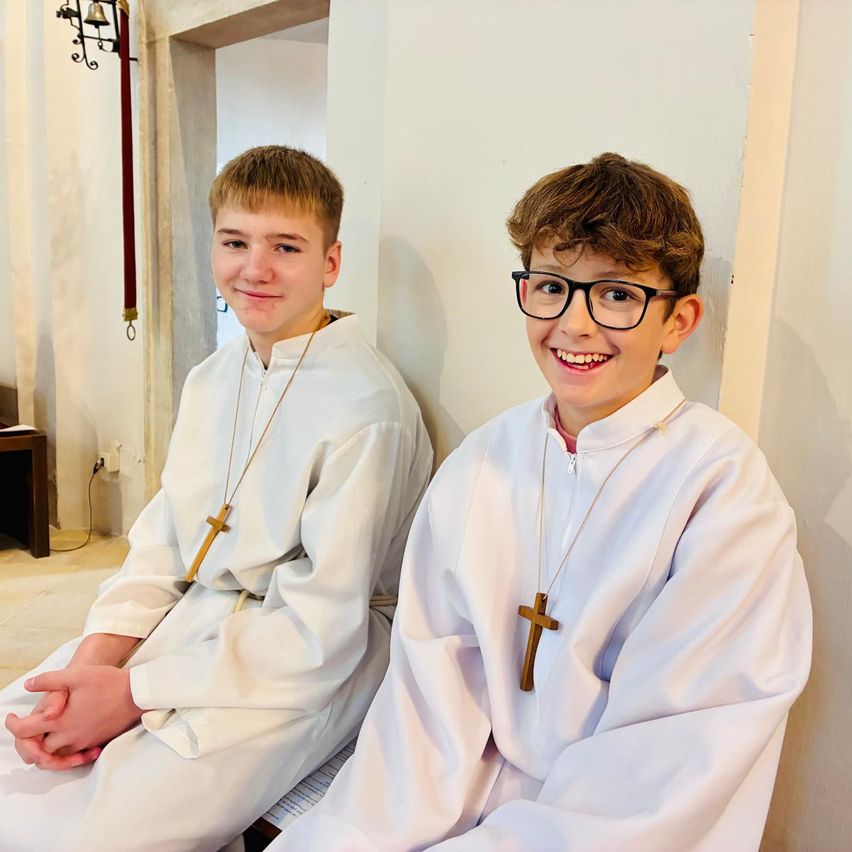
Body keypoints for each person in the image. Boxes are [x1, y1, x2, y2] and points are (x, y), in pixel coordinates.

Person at [273, 153, 812, 851]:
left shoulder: (722, 493)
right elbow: (424, 710)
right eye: (552, 286)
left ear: (678, 321)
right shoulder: (483, 463)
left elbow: (669, 763)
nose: (575, 324)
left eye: (616, 294)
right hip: (459, 810)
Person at [0, 145, 432, 851]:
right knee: (21, 740)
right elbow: (163, 542)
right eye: (235, 242)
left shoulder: (368, 408)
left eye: (285, 247)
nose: (254, 269)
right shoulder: (213, 375)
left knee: (101, 834)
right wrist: (93, 666)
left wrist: (134, 696)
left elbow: (322, 630)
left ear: (330, 263)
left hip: (301, 657)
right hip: (195, 616)